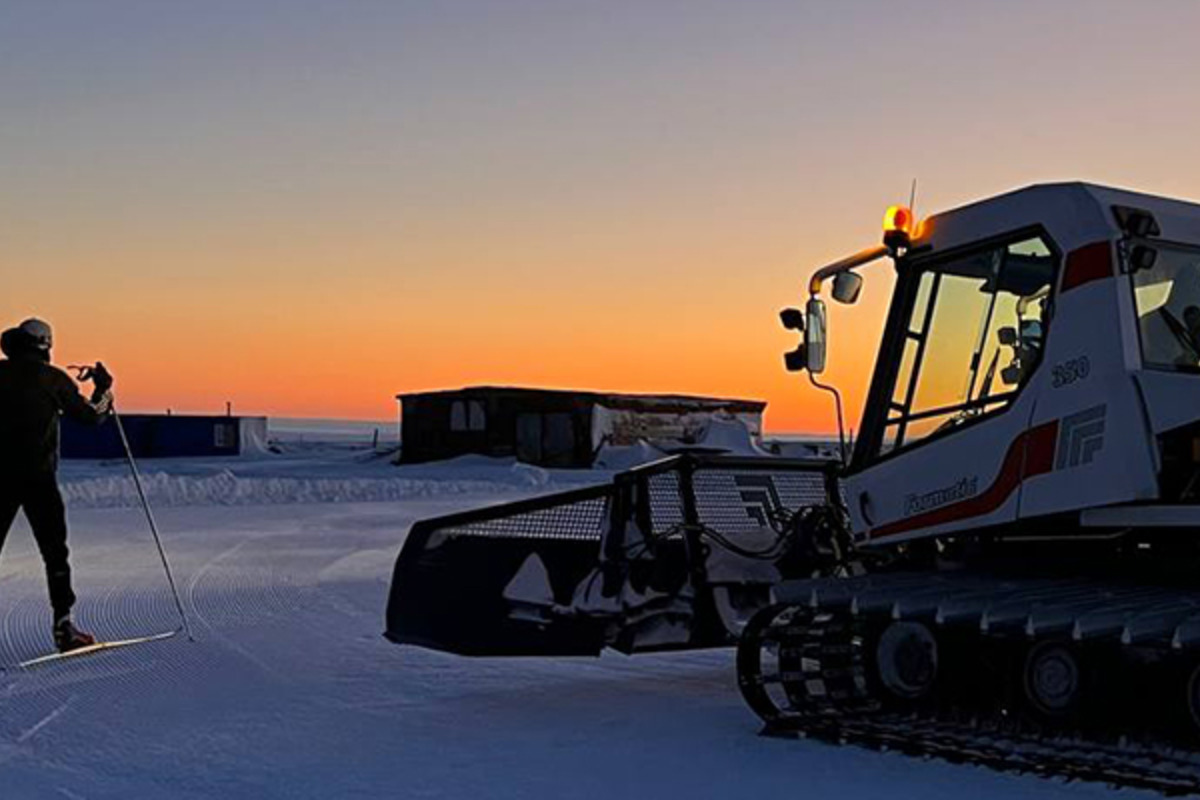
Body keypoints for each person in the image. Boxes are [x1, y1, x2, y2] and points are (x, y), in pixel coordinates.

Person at [0, 318, 113, 652]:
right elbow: (92, 416)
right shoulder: (53, 379)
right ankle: (64, 627)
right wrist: (103, 389)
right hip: (38, 479)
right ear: (45, 344)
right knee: (54, 553)